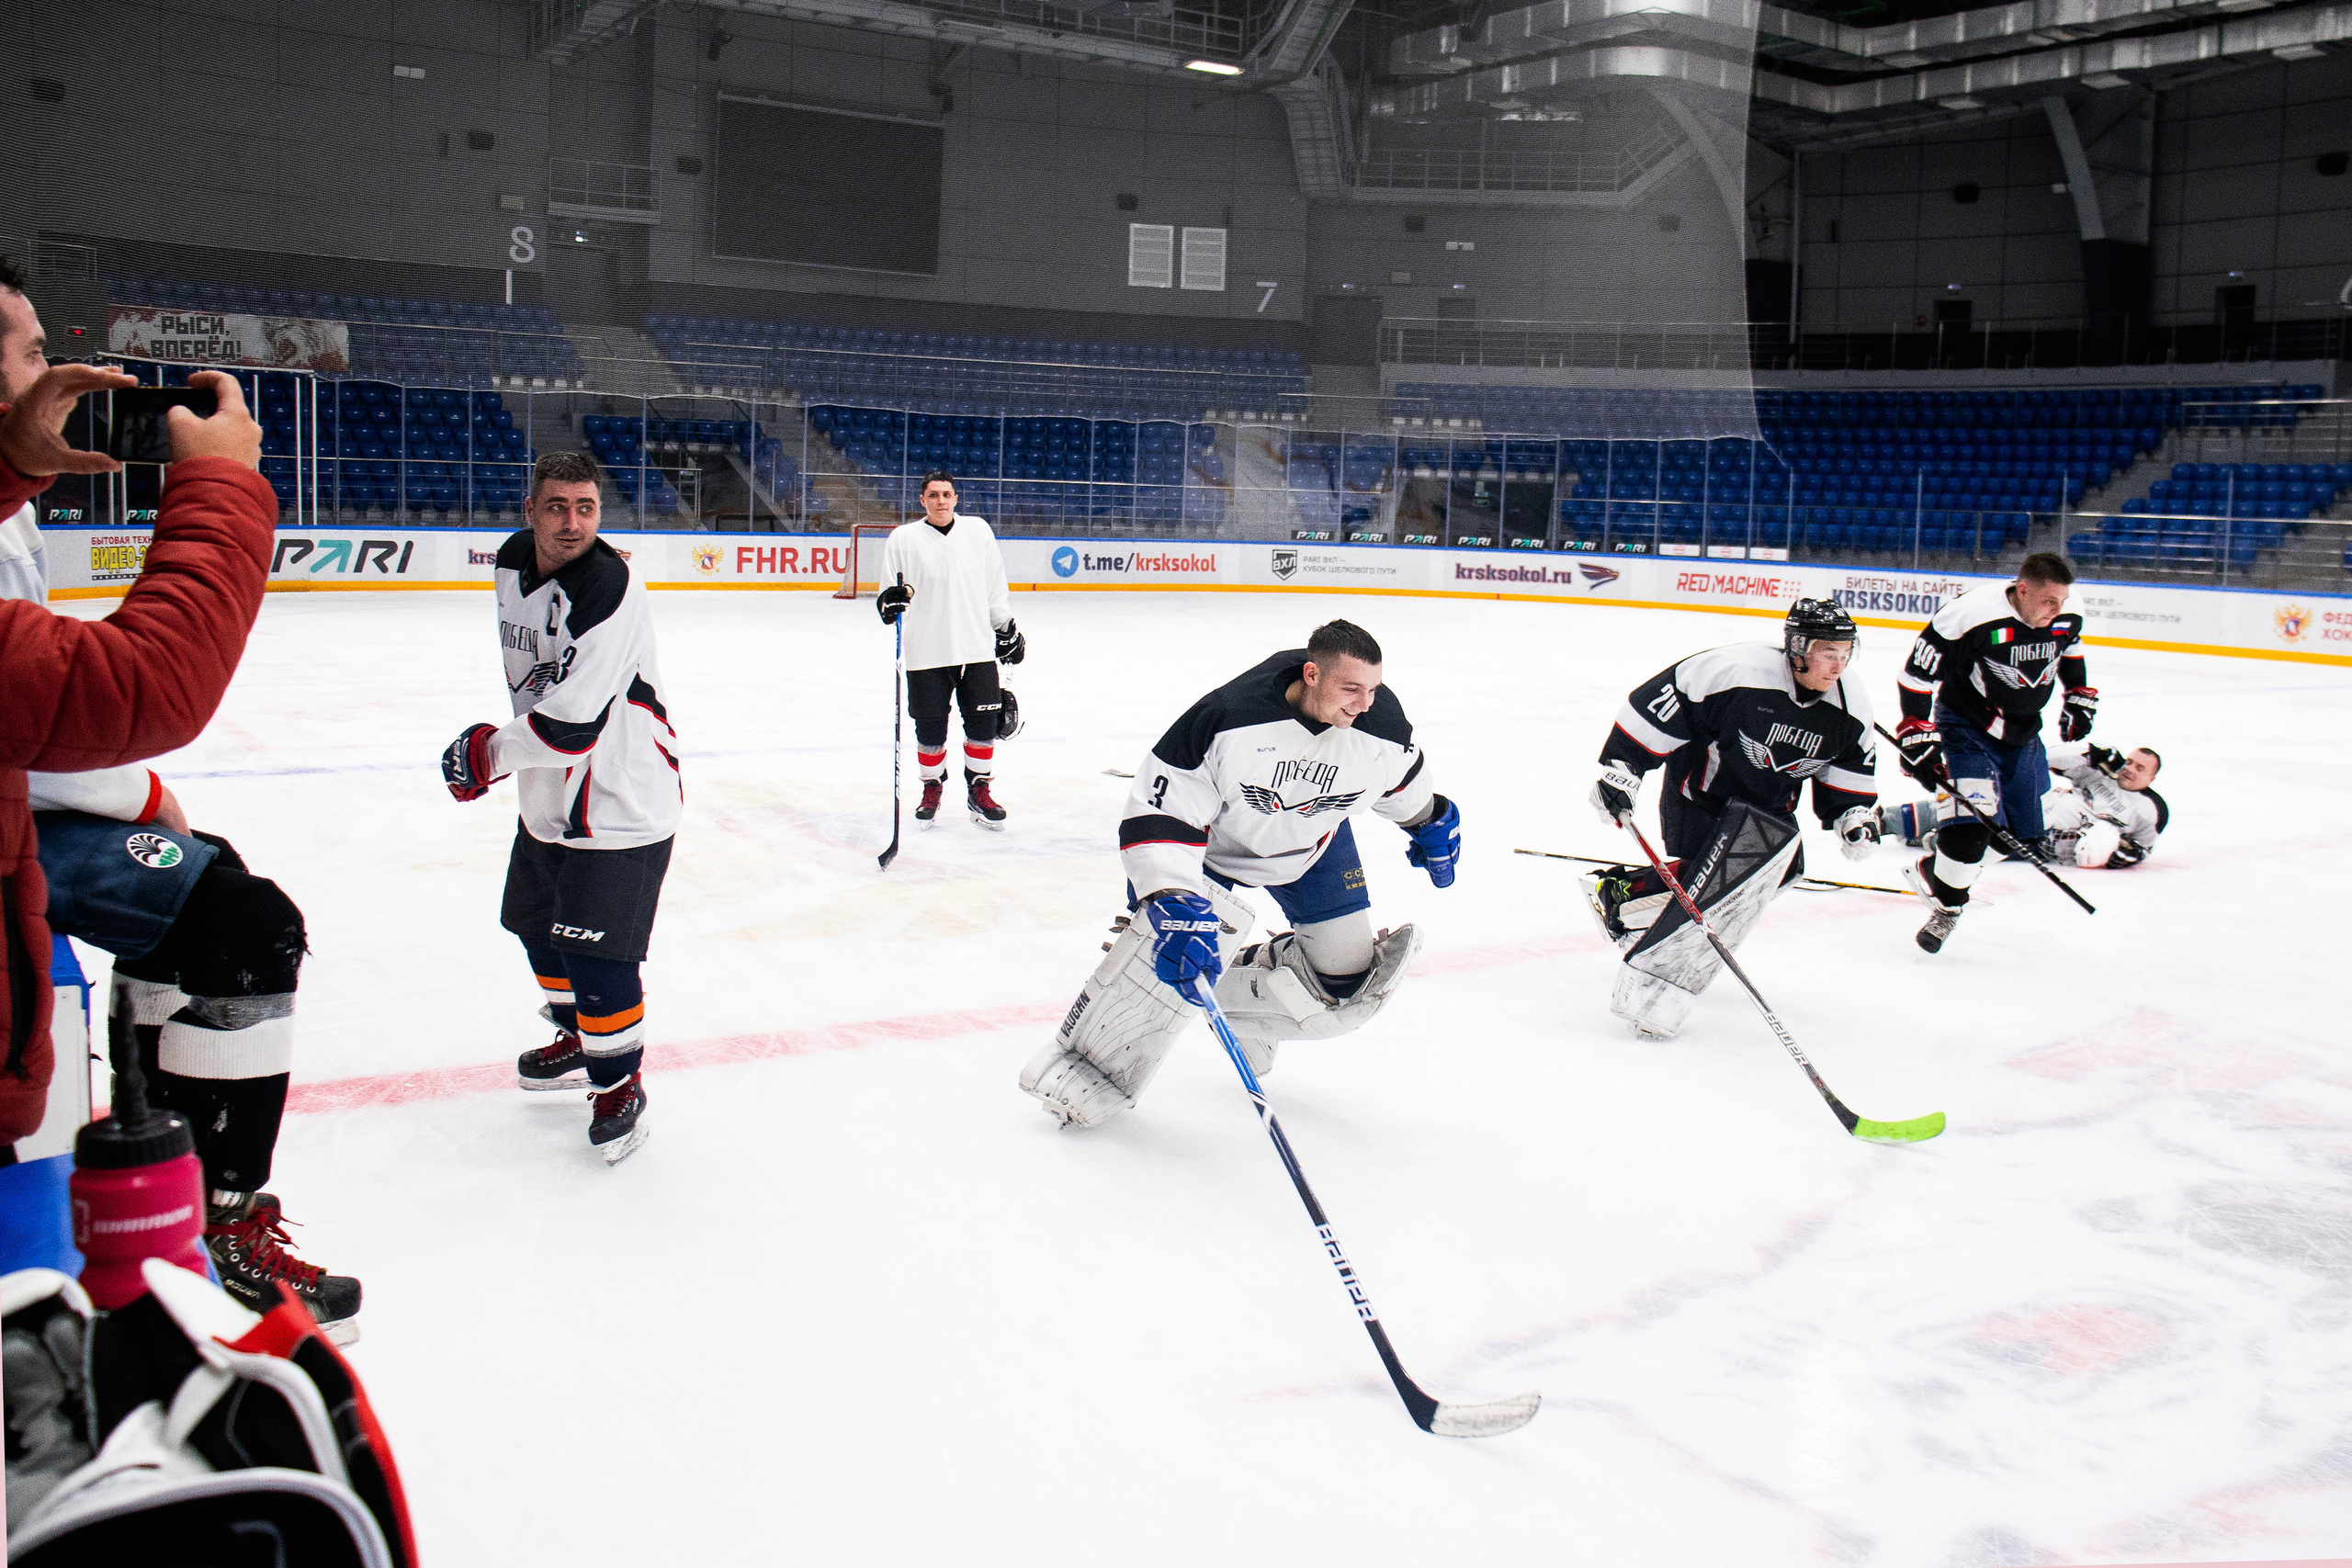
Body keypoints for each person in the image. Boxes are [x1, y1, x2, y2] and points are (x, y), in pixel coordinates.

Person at [0, 291, 277, 1215]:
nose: (56, 376)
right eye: (34, 355)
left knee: (213, 880)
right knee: (241, 918)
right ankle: (210, 1217)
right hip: (30, 818)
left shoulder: (17, 502)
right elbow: (141, 686)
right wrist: (223, 484)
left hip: (33, 801)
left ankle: (147, 1147)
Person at [1021, 618, 1459, 1127]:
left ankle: (1243, 979)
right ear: (1312, 674)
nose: (1365, 704)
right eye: (1351, 689)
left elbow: (1402, 784)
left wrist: (1431, 822)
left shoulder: (1380, 727)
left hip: (1313, 847)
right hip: (1211, 854)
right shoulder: (1228, 719)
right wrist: (1170, 897)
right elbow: (1163, 811)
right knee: (1169, 965)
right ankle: (1090, 1065)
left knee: (1344, 980)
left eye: (1374, 690)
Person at [441, 451, 680, 1165]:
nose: (571, 522)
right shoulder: (513, 563)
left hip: (620, 798)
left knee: (597, 953)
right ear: (530, 511)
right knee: (534, 925)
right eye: (556, 506)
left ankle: (617, 1085)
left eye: (585, 508)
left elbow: (574, 724)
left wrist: (486, 754)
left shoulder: (608, 584)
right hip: (549, 795)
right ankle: (581, 1037)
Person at [1582, 599, 1879, 1038]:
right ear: (1797, 648)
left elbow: (1851, 766)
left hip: (1769, 811)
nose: (1837, 665)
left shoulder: (1851, 704)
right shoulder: (1738, 671)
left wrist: (1852, 814)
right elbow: (1662, 701)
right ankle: (1656, 979)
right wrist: (1623, 768)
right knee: (1715, 884)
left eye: (1844, 652)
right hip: (1701, 795)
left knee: (1772, 877)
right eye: (1825, 652)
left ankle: (1623, 896)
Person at [1890, 551, 2093, 953]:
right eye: (2049, 601)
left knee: (2022, 837)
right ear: (2022, 589)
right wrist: (1916, 731)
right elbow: (1915, 675)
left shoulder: (2066, 613)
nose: (2057, 610)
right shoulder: (1969, 615)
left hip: (2022, 731)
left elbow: (2070, 650)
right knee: (1972, 826)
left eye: (2062, 602)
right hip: (1967, 726)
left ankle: (1940, 872)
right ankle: (1948, 906)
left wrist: (2078, 696)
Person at [874, 472, 1023, 829]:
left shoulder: (978, 531)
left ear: (956, 498)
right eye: (933, 495)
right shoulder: (903, 538)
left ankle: (979, 789)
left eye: (947, 494)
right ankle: (931, 787)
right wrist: (888, 604)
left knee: (984, 725)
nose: (941, 500)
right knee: (929, 729)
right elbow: (887, 594)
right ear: (922, 500)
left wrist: (1005, 627)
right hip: (926, 651)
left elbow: (994, 585)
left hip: (976, 649)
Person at [1881, 742, 2165, 870]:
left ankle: (1934, 840)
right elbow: (2048, 759)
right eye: (2129, 761)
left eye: (2140, 768)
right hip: (2031, 807)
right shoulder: (2098, 773)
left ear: (2152, 778)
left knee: (1976, 835)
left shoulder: (2145, 809)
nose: (2129, 769)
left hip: (2047, 839)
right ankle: (1885, 821)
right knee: (1965, 805)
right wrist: (2090, 751)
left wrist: (2131, 855)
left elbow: (2143, 847)